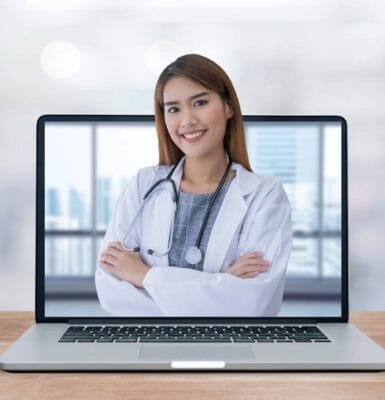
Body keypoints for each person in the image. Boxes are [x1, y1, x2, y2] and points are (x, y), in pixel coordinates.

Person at [95, 54, 292, 317]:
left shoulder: (265, 195)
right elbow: (113, 293)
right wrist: (222, 282)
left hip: (233, 345)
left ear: (228, 106)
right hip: (151, 342)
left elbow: (251, 303)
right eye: (174, 109)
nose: (187, 120)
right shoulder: (144, 185)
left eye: (199, 102)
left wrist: (145, 276)